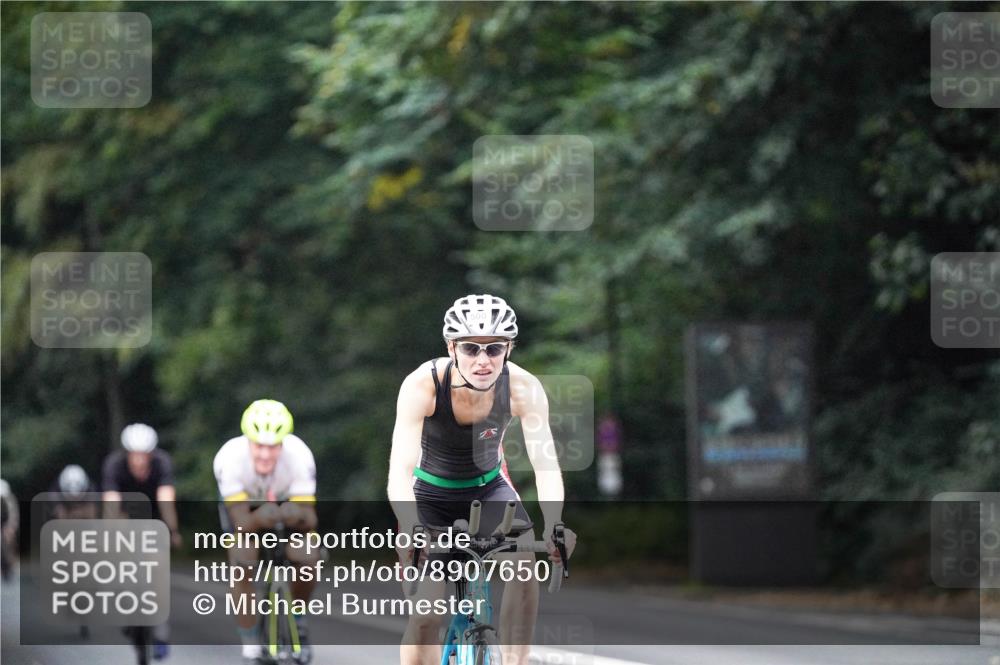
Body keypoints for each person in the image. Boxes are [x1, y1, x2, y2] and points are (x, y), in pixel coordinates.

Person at [388, 294, 577, 665]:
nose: (482, 360)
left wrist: (554, 523)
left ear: (509, 348)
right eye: (471, 348)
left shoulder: (523, 387)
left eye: (494, 349)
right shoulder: (423, 385)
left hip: (488, 489)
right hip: (429, 497)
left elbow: (546, 463)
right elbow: (399, 471)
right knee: (427, 616)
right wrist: (410, 526)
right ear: (451, 347)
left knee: (524, 565)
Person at [214, 399, 319, 665]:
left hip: (286, 505)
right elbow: (239, 522)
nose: (265, 454)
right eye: (259, 445)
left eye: (272, 447)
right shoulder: (229, 459)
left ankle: (298, 619)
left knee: (308, 555)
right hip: (245, 511)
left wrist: (297, 515)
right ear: (247, 440)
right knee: (242, 559)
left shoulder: (299, 455)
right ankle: (250, 642)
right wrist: (260, 517)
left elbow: (310, 519)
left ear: (283, 443)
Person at [102, 423, 182, 660]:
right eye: (134, 455)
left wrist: (173, 530)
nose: (139, 461)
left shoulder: (162, 463)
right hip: (125, 516)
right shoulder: (114, 465)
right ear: (127, 453)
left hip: (154, 518)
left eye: (144, 455)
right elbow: (111, 504)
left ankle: (160, 634)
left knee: (157, 571)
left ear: (151, 453)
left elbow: (166, 499)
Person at [0, 479, 18, 582]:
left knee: (9, 540)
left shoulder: (10, 499)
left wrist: (11, 528)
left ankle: (10, 566)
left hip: (6, 520)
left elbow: (13, 515)